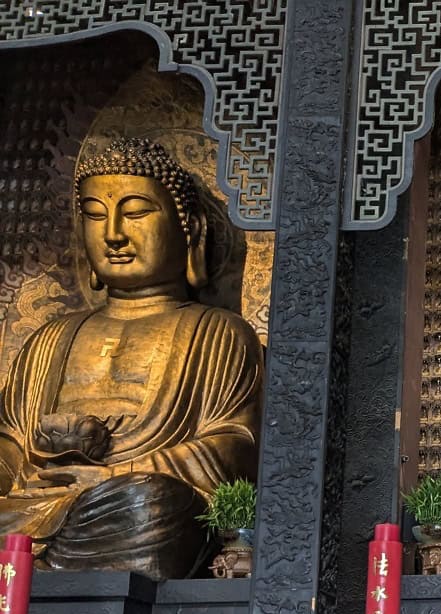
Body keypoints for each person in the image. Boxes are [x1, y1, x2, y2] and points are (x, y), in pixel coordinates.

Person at [0, 137, 263, 580]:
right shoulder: (50, 338)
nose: (114, 234)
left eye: (137, 212)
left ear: (190, 229)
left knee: (151, 503)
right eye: (95, 215)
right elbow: (10, 444)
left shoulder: (219, 333)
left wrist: (112, 475)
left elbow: (234, 449)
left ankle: (40, 564)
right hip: (32, 506)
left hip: (128, 508)